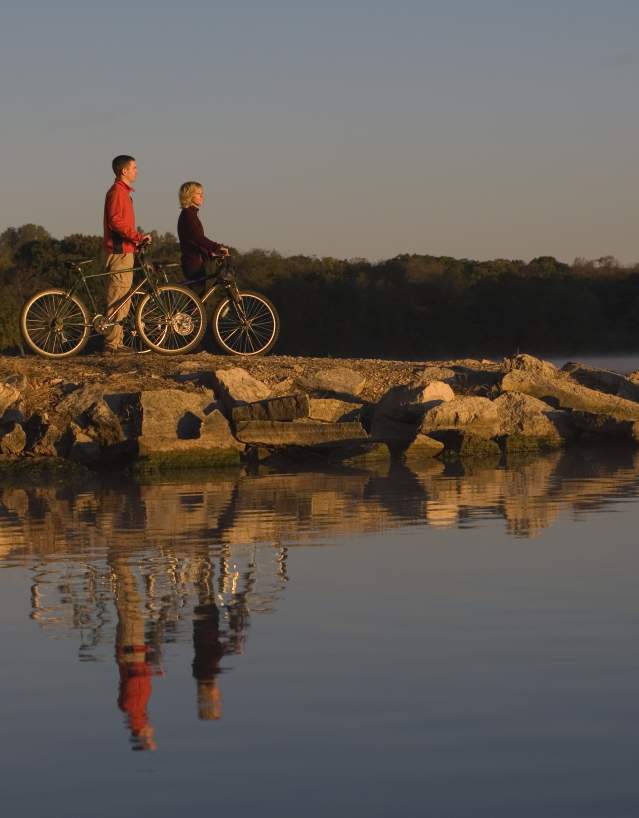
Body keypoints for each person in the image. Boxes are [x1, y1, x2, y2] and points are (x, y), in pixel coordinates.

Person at [103, 155, 152, 353]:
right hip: (119, 251)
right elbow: (115, 221)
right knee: (118, 296)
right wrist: (137, 236)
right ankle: (111, 344)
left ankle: (117, 342)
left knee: (124, 296)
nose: (137, 171)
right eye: (134, 167)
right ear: (124, 171)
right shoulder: (117, 192)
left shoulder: (123, 192)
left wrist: (135, 242)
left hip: (126, 249)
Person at [177, 181, 229, 297]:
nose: (202, 196)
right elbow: (198, 238)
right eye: (198, 193)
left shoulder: (191, 214)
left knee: (198, 301)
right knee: (197, 303)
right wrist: (217, 247)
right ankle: (186, 315)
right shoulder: (188, 215)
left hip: (196, 261)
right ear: (189, 196)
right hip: (193, 263)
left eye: (202, 193)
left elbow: (195, 242)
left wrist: (211, 254)